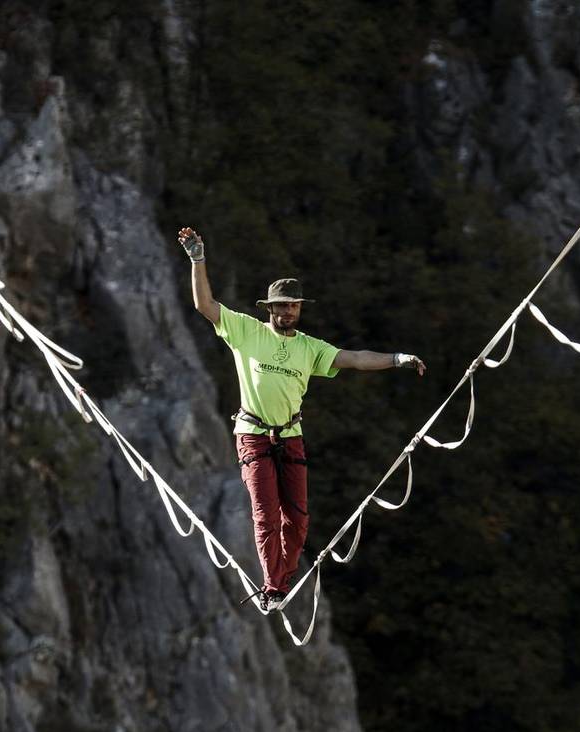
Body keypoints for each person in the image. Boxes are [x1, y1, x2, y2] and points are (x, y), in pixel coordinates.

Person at [178, 226, 426, 612]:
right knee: (266, 515)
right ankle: (273, 587)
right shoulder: (246, 331)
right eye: (283, 305)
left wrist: (397, 359)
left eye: (294, 305)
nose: (289, 311)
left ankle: (283, 579)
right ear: (271, 308)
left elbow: (355, 358)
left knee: (297, 520)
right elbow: (205, 305)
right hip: (254, 435)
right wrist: (198, 260)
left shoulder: (310, 348)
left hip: (291, 435)